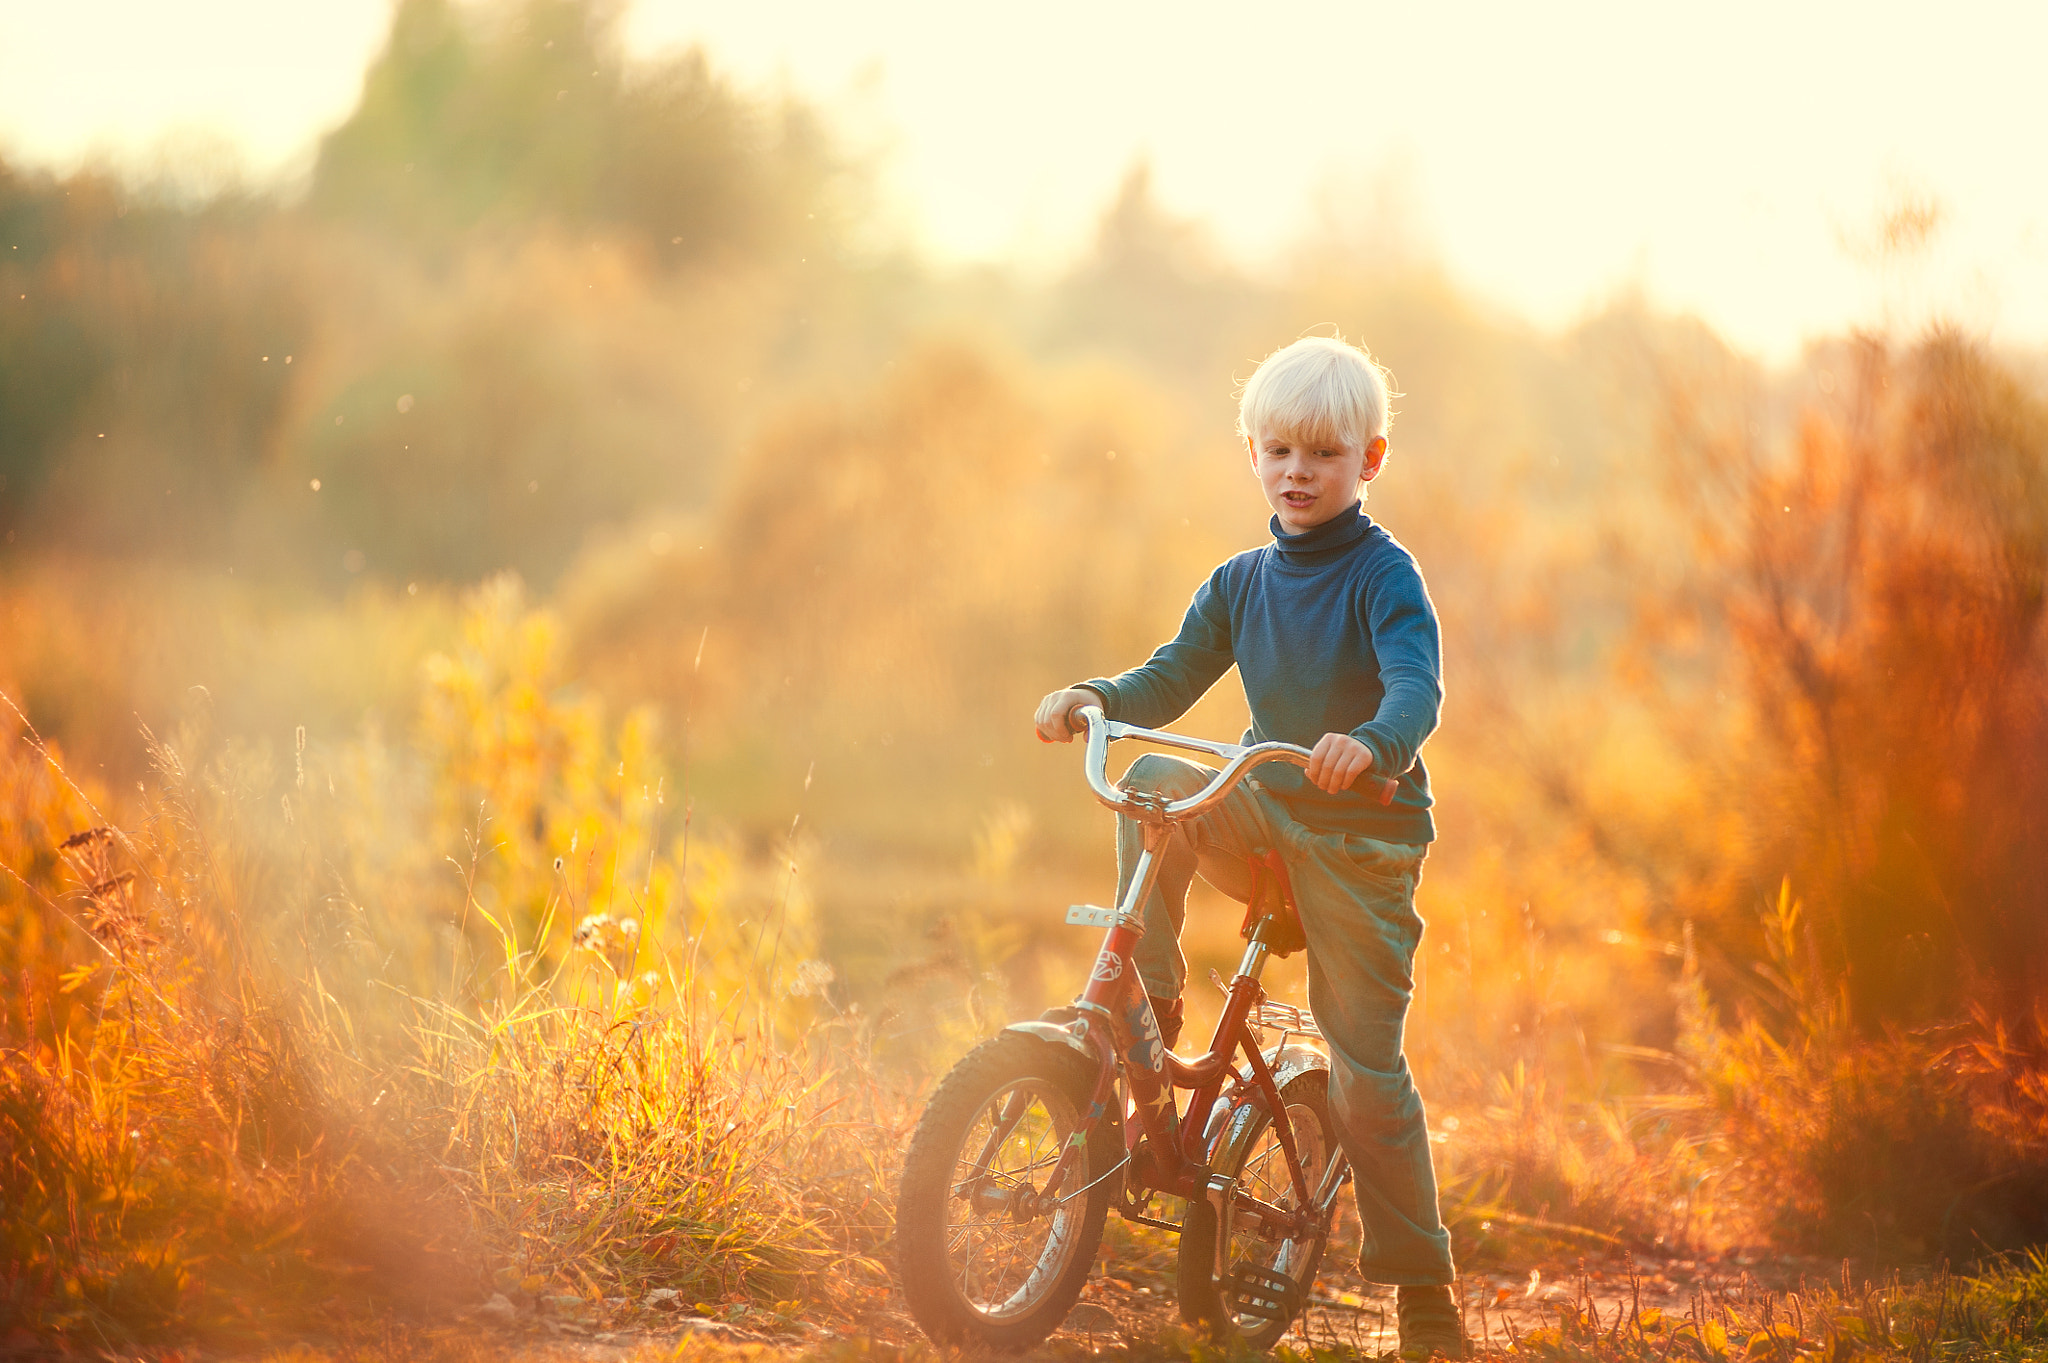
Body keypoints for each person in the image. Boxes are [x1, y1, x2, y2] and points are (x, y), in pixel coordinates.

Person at [1033, 334, 1463, 1358]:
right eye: (1278, 452)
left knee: (1365, 1069)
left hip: (1361, 844)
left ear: (1369, 459)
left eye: (1323, 453)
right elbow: (1172, 673)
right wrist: (1097, 696)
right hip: (1265, 813)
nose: (1297, 472)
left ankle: (1423, 1294)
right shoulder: (1239, 582)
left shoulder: (1382, 575)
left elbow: (1416, 686)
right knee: (1151, 779)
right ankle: (1150, 997)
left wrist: (1372, 742)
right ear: (1254, 455)